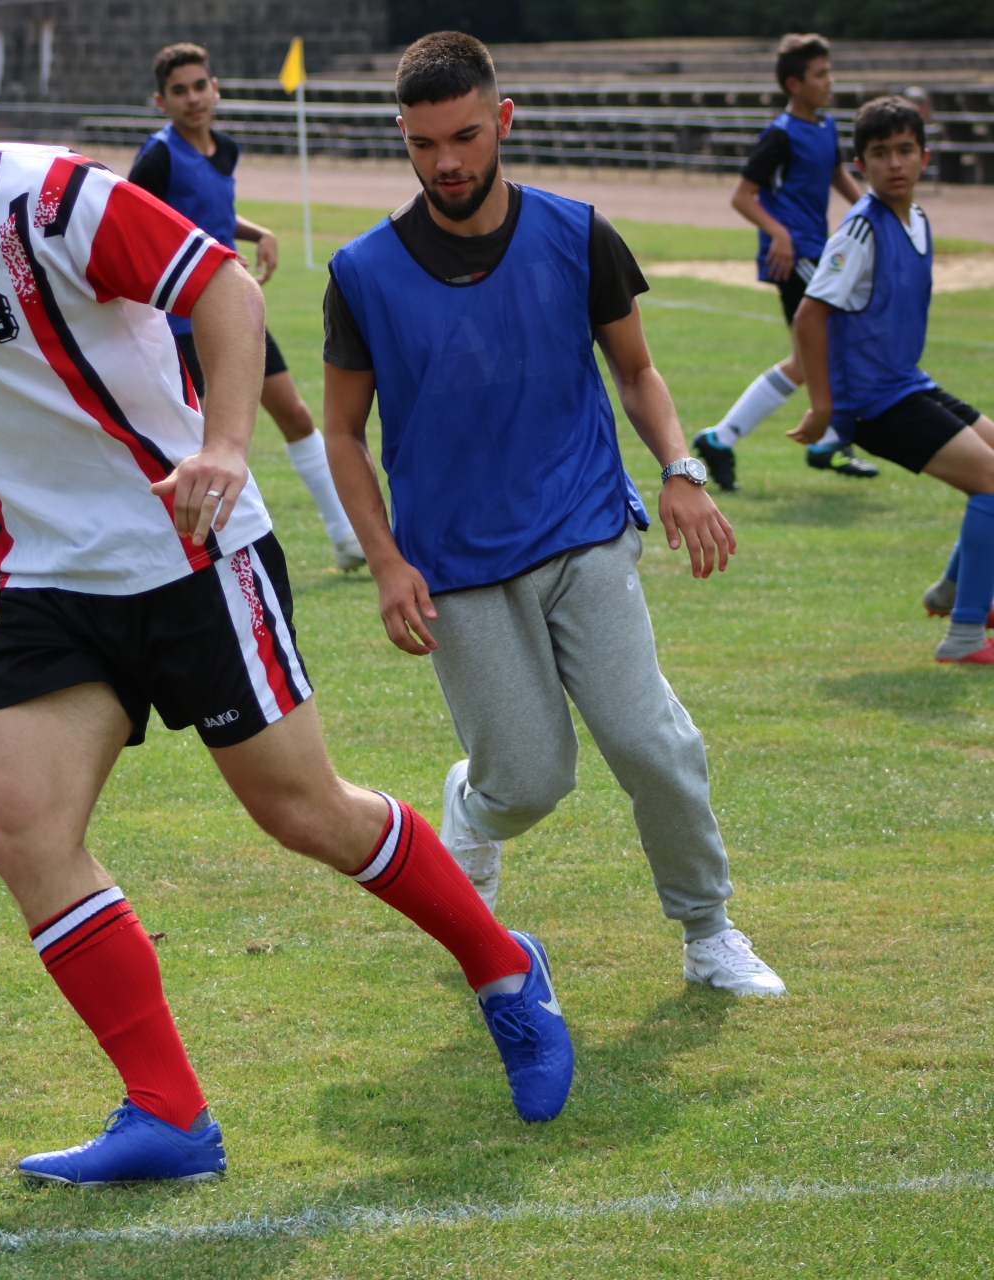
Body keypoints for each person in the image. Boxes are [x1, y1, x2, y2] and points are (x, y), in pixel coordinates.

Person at [0, 8, 574, 1184]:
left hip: (192, 554)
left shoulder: (45, 201)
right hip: (50, 578)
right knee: (23, 829)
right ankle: (169, 1114)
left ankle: (504, 966)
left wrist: (227, 446)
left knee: (305, 811)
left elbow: (223, 290)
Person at [321, 32, 787, 997]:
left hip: (584, 528)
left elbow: (637, 370)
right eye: (422, 144)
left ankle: (708, 931)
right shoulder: (361, 272)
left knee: (652, 742)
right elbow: (342, 434)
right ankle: (470, 806)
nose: (446, 163)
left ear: (503, 120)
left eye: (464, 136)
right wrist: (386, 561)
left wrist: (681, 468)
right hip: (453, 563)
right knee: (529, 783)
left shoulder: (579, 234)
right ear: (402, 136)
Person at [128, 43, 366, 572]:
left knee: (295, 414)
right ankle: (203, 561)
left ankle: (346, 536)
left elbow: (209, 210)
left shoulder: (226, 150)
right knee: (205, 444)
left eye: (200, 86)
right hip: (182, 327)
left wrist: (258, 232)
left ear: (216, 89)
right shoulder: (157, 158)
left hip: (235, 316)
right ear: (161, 102)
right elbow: (134, 226)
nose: (193, 98)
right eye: (179, 91)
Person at [787, 97, 994, 666]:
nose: (895, 163)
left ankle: (952, 591)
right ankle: (964, 634)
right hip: (873, 402)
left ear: (925, 157)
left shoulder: (918, 219)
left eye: (905, 150)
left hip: (907, 383)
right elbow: (809, 317)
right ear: (860, 166)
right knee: (991, 483)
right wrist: (824, 408)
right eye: (880, 153)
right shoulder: (859, 231)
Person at [693, 33, 875, 490]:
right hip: (795, 257)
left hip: (818, 252)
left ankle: (720, 438)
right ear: (794, 83)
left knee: (806, 357)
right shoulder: (780, 135)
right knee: (833, 340)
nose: (830, 81)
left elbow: (836, 173)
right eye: (820, 74)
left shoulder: (826, 126)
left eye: (829, 71)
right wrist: (779, 233)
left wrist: (871, 210)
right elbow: (743, 196)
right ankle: (830, 441)